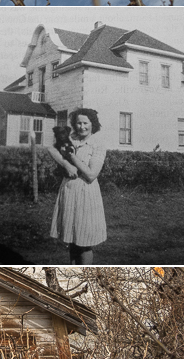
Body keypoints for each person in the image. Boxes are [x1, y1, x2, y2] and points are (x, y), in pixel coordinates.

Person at [48, 108, 107, 265]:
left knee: (84, 243)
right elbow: (51, 149)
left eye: (85, 123)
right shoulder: (71, 138)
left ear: (92, 124)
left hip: (87, 195)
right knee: (72, 240)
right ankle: (72, 274)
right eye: (78, 123)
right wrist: (66, 164)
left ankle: (85, 277)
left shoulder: (97, 144)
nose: (82, 127)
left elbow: (91, 174)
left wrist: (72, 156)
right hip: (68, 193)